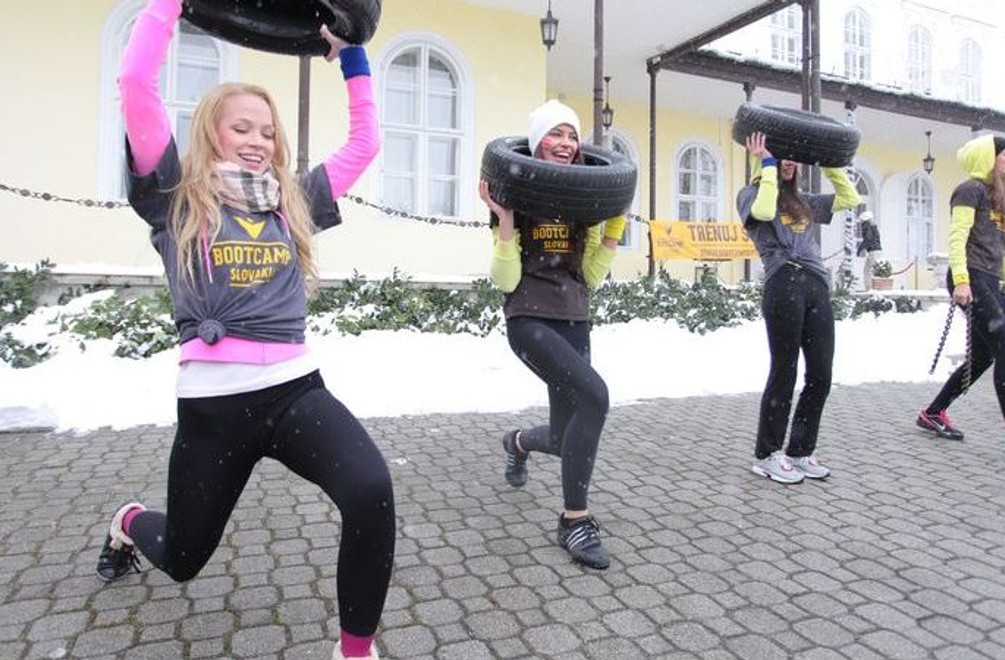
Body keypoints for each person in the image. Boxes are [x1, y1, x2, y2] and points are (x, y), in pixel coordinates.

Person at [94, 1, 393, 658]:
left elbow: (366, 143)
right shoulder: (174, 193)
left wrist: (352, 57)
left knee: (371, 489)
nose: (258, 141)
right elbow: (134, 85)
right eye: (242, 129)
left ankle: (355, 650)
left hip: (294, 392)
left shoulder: (294, 200)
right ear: (212, 134)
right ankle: (127, 522)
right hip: (214, 410)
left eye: (267, 131)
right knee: (182, 558)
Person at [477, 100, 626, 570]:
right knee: (595, 397)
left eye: (571, 135)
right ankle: (573, 519)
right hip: (529, 319)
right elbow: (505, 280)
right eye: (555, 134)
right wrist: (504, 220)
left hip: (573, 318)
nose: (565, 143)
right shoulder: (516, 190)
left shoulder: (590, 198)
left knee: (565, 438)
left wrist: (612, 230)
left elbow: (591, 277)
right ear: (537, 141)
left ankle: (517, 443)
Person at [737, 131, 861, 484]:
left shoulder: (805, 201)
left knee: (821, 372)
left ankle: (800, 450)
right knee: (785, 369)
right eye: (781, 155)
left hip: (816, 285)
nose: (788, 161)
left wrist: (832, 162)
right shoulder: (751, 195)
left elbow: (848, 199)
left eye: (792, 157)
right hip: (783, 283)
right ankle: (766, 454)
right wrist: (767, 165)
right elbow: (762, 209)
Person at [916, 134, 1005, 442]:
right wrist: (962, 280)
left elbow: (1000, 248)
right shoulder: (970, 190)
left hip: (991, 280)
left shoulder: (998, 196)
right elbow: (957, 237)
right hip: (971, 276)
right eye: (1004, 155)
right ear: (988, 158)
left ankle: (934, 412)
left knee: (983, 356)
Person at [856, 210, 882, 289]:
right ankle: (869, 287)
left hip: (873, 251)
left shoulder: (868, 227)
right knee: (867, 270)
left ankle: (872, 288)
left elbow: (868, 239)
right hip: (874, 251)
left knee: (871, 270)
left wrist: (859, 249)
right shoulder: (872, 226)